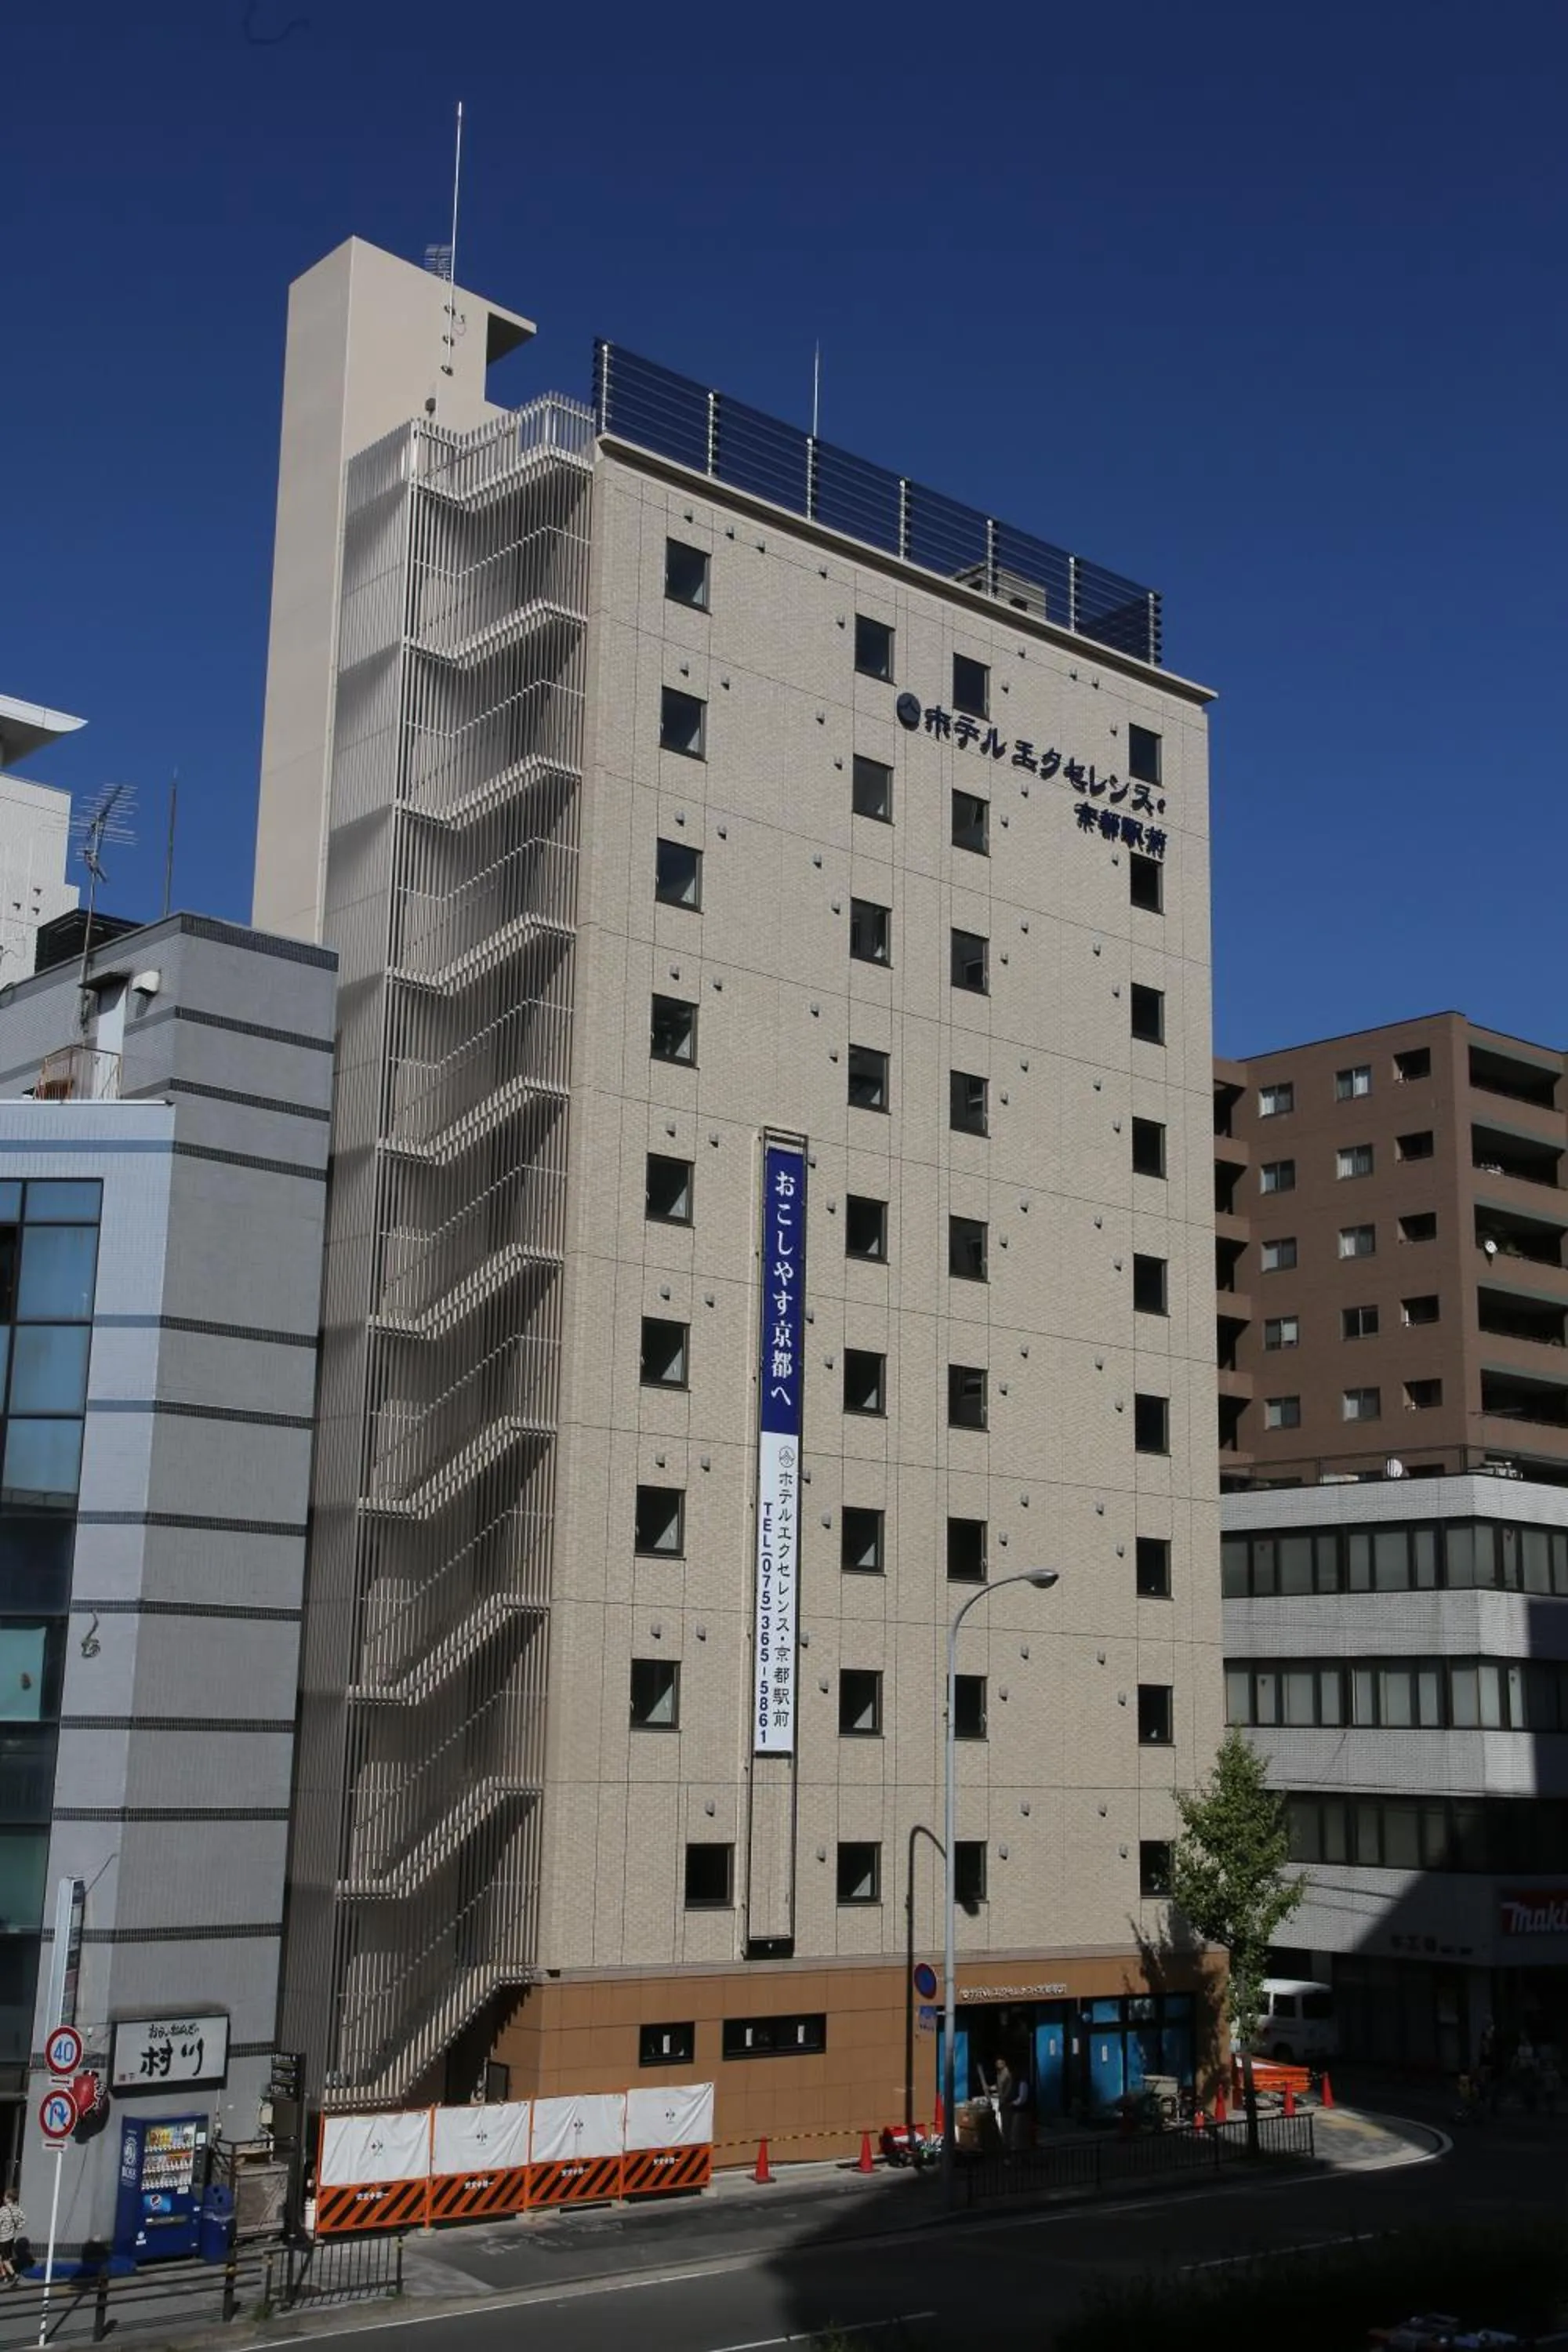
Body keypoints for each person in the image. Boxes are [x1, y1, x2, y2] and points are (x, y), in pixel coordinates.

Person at [0, 2187, 26, 2285]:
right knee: (2, 2257)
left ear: (9, 2198)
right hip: (10, 2238)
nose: (3, 2198)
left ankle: (14, 2275)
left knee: (5, 2259)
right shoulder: (17, 2209)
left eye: (5, 2196)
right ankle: (4, 2276)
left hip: (3, 2238)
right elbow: (23, 2219)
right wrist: (18, 2227)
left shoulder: (3, 2210)